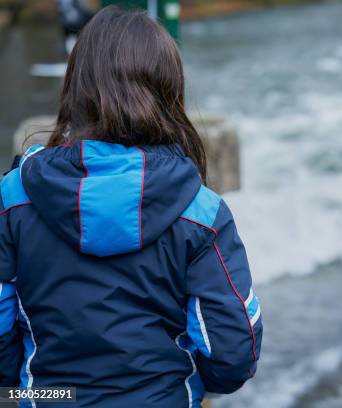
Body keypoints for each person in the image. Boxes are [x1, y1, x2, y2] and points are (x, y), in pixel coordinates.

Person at [0, 7, 262, 407]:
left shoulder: (13, 198)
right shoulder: (201, 212)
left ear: (75, 86)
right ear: (168, 91)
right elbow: (232, 352)